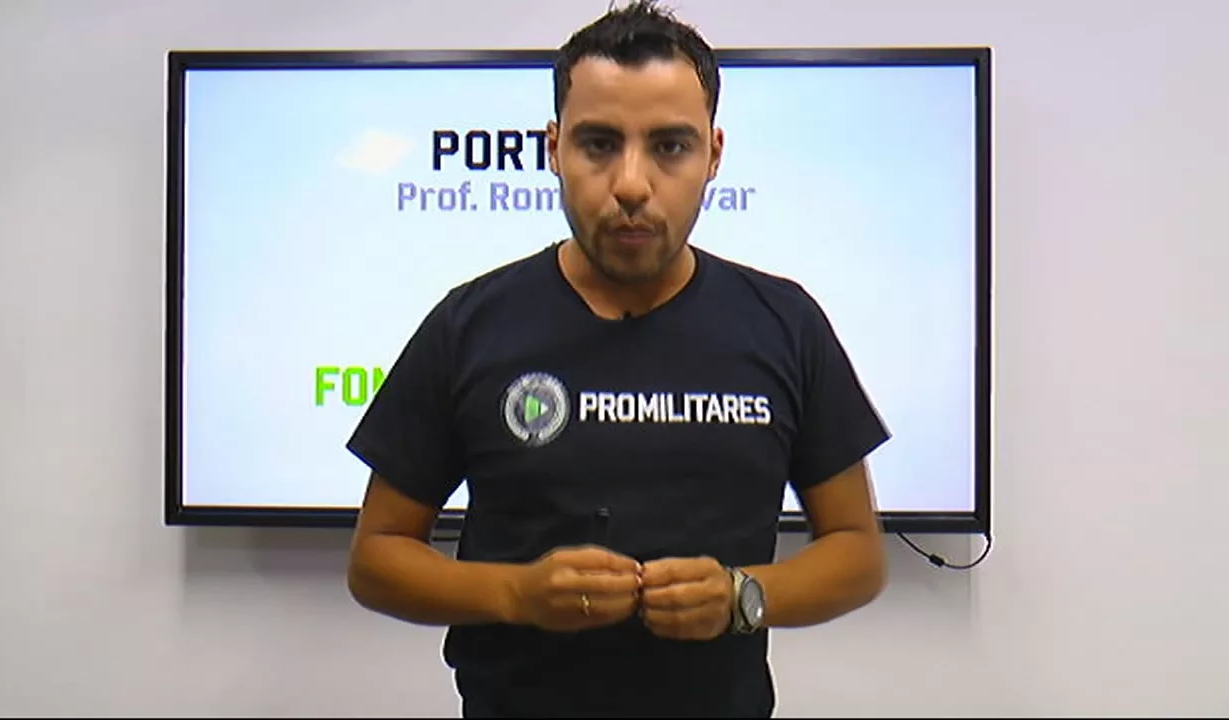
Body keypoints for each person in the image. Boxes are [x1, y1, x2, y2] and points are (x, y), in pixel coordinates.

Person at [344, 1, 891, 716]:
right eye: (599, 144)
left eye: (670, 146)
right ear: (553, 148)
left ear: (714, 154)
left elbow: (858, 551)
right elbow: (377, 557)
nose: (632, 183)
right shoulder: (470, 324)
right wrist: (515, 593)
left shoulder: (785, 324)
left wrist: (742, 596)